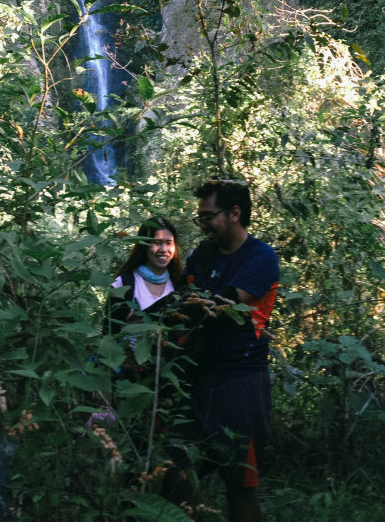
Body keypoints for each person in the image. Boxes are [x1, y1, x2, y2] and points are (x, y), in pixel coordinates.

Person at [175, 178, 279, 522]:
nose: (203, 224)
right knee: (177, 469)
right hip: (197, 374)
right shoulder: (201, 255)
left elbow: (227, 306)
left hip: (241, 380)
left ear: (235, 214)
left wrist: (200, 303)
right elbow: (183, 303)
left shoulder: (260, 257)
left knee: (240, 479)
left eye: (209, 216)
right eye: (200, 218)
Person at [105, 217, 183, 337]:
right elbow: (109, 335)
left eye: (169, 243)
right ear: (144, 245)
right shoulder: (122, 284)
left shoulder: (179, 284)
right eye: (156, 242)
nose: (164, 249)